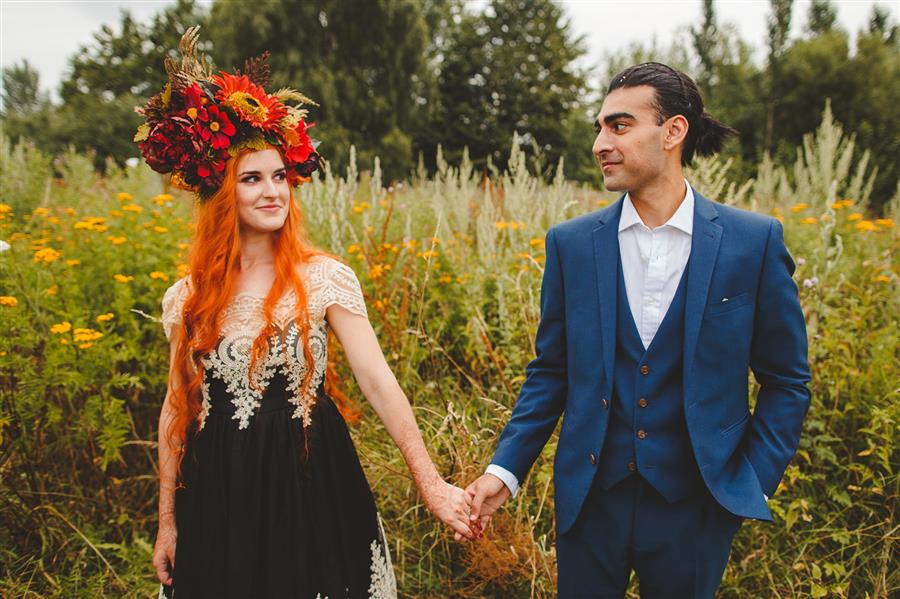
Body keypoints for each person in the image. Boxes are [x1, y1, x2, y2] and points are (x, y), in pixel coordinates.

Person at [143, 29, 473, 598]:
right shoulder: (187, 296)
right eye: (252, 179)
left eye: (280, 177)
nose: (274, 192)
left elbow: (378, 381)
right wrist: (167, 521)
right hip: (220, 486)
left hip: (306, 476)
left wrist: (431, 483)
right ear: (222, 193)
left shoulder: (323, 278)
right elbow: (176, 409)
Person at [464, 62, 811, 598]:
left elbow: (787, 381)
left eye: (619, 126)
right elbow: (550, 373)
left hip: (696, 509)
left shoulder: (753, 242)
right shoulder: (572, 245)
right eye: (599, 127)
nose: (601, 142)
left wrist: (746, 484)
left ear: (674, 131)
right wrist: (503, 472)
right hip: (590, 502)